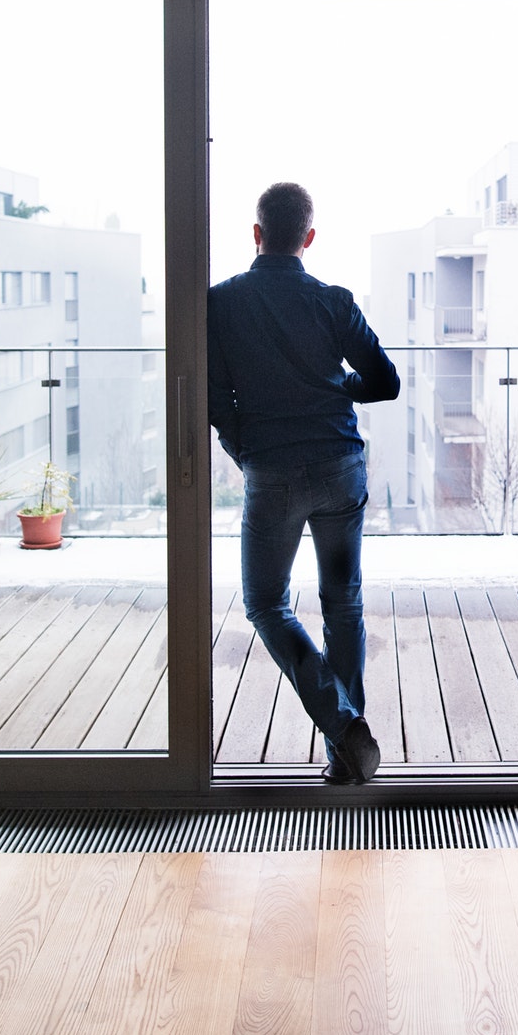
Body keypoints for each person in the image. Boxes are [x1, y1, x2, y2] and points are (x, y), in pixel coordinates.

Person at [209, 182, 400, 784]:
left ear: (257, 233)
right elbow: (384, 382)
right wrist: (339, 388)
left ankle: (342, 727)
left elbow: (217, 400)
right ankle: (346, 752)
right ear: (308, 238)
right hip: (342, 467)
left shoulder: (221, 304)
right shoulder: (334, 302)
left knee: (266, 604)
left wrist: (249, 453)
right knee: (343, 603)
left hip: (274, 469)